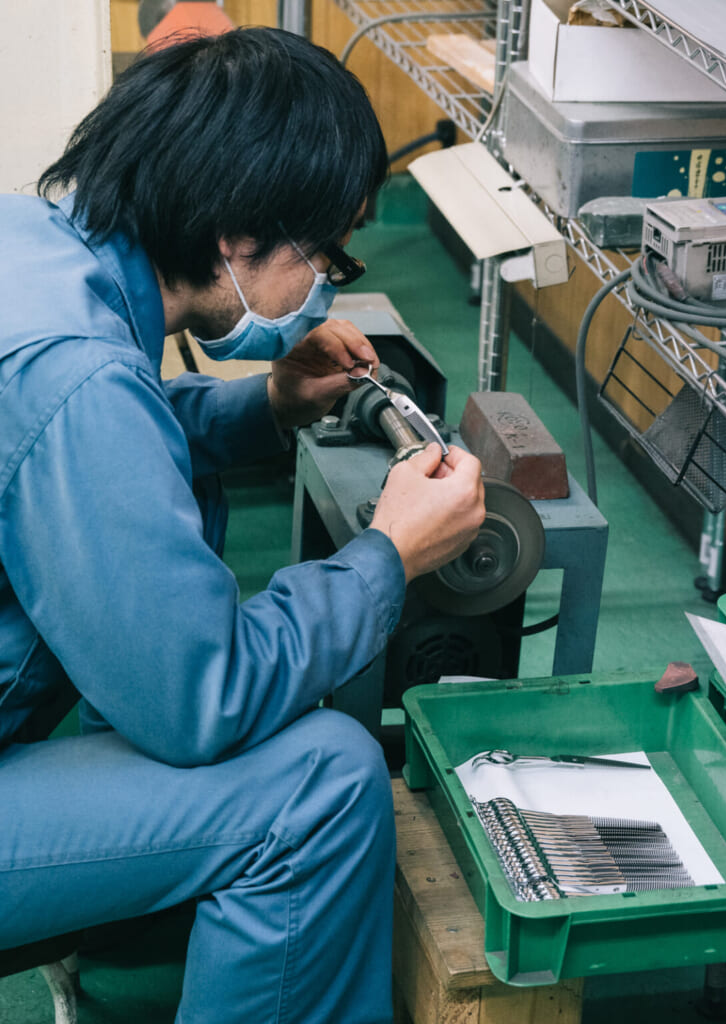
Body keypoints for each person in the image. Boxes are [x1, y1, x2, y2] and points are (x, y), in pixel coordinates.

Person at [0, 27, 485, 1024]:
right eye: (326, 253)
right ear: (234, 234)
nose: (325, 286)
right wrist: (384, 558)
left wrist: (263, 405)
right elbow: (197, 696)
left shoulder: (34, 252)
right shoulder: (80, 380)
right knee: (322, 784)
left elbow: (88, 471)